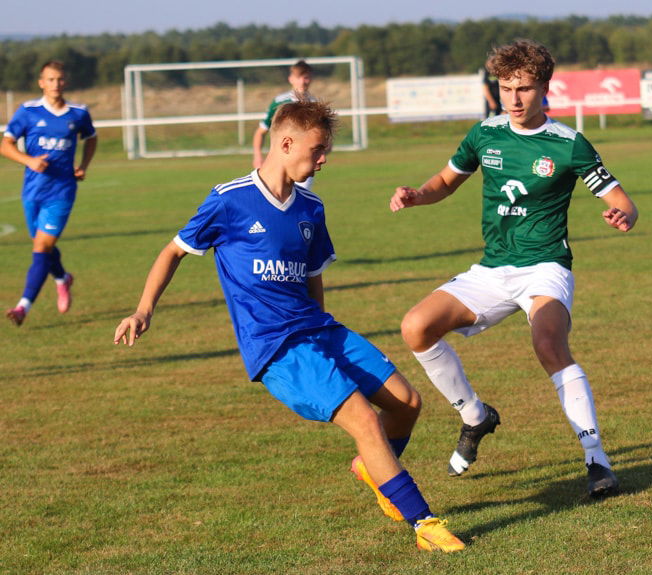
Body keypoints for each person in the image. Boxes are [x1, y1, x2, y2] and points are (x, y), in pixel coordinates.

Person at [113, 101, 464, 553]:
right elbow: (174, 251)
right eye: (317, 150)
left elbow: (313, 277)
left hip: (319, 330)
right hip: (276, 346)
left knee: (407, 403)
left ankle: (372, 468)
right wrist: (144, 310)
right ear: (285, 144)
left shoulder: (311, 208)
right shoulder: (229, 200)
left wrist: (326, 337)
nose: (324, 159)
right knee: (364, 420)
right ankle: (423, 523)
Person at [390, 40, 638, 498]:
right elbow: (446, 181)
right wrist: (417, 194)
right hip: (492, 269)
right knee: (416, 327)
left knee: (548, 343)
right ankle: (474, 416)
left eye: (524, 89)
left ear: (545, 88)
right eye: (506, 88)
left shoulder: (569, 144)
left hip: (545, 267)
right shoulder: (484, 135)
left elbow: (621, 199)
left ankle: (596, 459)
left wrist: (623, 215)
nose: (514, 99)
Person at [3, 60, 97, 326]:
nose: (56, 84)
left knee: (41, 247)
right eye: (51, 79)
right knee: (43, 246)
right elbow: (5, 145)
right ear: (41, 82)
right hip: (32, 191)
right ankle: (63, 278)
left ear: (65, 81)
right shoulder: (28, 111)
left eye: (60, 79)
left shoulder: (78, 113)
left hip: (62, 191)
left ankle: (23, 306)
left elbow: (91, 138)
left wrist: (83, 165)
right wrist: (29, 160)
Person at [252, 60, 315, 190]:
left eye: (306, 77)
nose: (302, 82)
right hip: (280, 160)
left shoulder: (315, 104)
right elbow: (261, 131)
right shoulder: (280, 102)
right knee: (276, 195)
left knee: (300, 196)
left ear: (310, 79)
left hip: (304, 161)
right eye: (298, 77)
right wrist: (258, 156)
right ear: (291, 79)